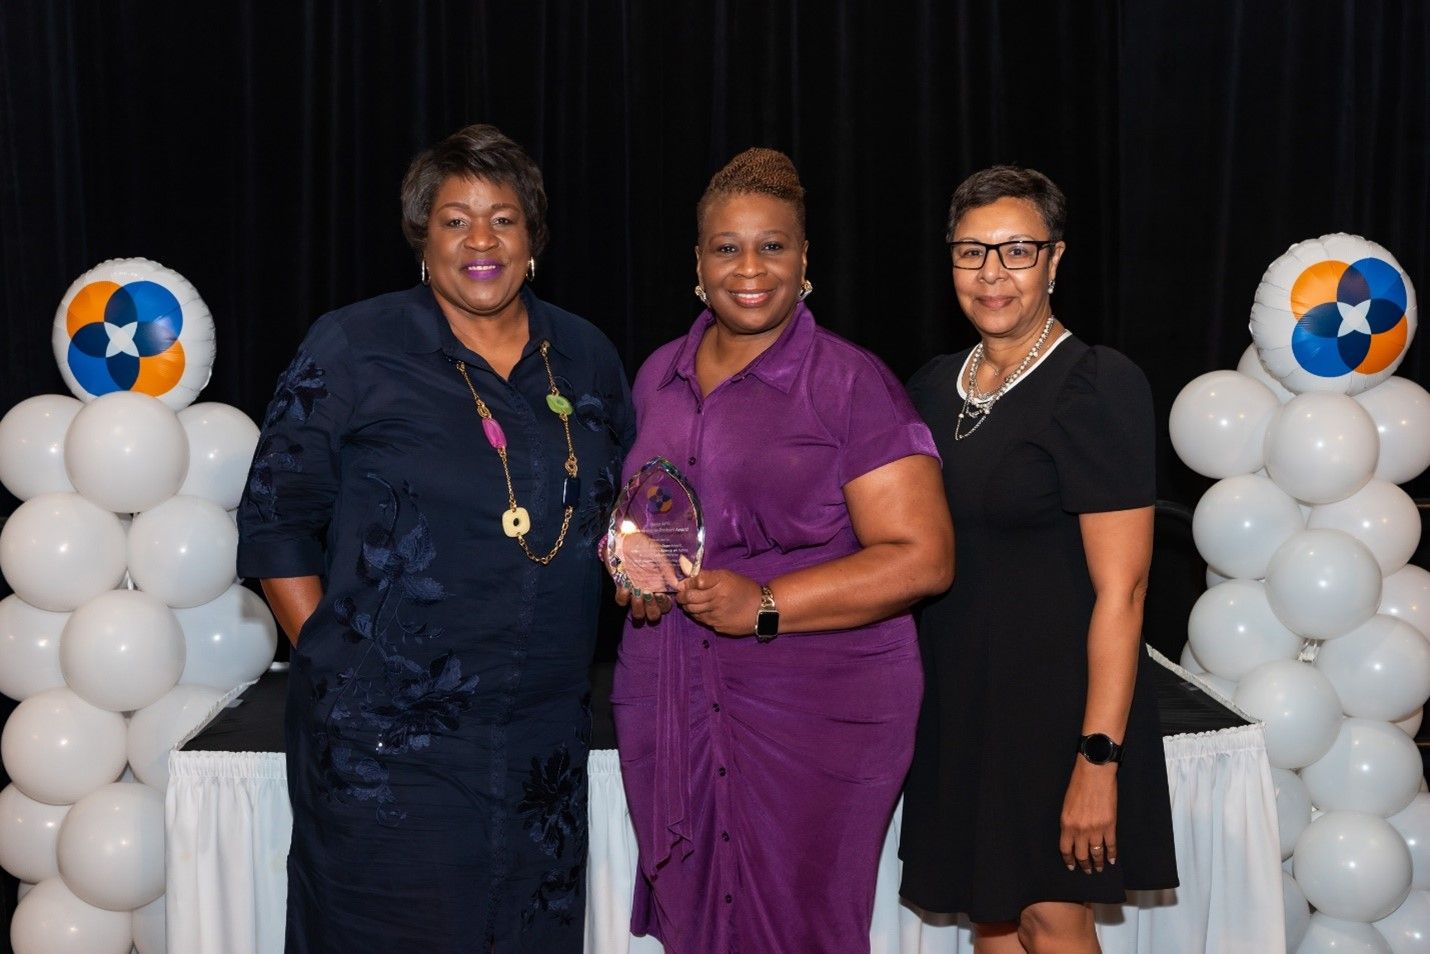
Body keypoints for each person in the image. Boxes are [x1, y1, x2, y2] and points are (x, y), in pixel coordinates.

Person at [236, 123, 633, 953]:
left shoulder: (586, 355)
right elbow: (275, 516)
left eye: (503, 218)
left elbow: (611, 508)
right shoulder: (354, 347)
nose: (480, 240)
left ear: (535, 238)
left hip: (538, 751)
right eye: (456, 219)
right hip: (388, 752)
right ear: (424, 238)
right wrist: (340, 664)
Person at [610, 148, 954, 953]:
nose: (749, 267)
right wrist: (636, 572)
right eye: (727, 247)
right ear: (697, 264)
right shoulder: (656, 375)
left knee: (803, 922)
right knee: (698, 920)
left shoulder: (849, 382)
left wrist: (763, 605)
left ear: (805, 261)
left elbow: (923, 557)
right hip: (672, 692)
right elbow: (648, 517)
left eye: (773, 245)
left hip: (819, 705)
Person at [899, 165, 1178, 953]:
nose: (992, 275)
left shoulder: (1097, 384)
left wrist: (1098, 760)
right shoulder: (928, 388)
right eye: (971, 252)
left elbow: (1123, 594)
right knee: (992, 918)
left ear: (1056, 259)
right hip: (961, 705)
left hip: (1059, 713)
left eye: (1017, 251)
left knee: (1053, 919)